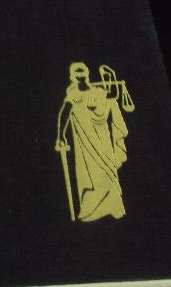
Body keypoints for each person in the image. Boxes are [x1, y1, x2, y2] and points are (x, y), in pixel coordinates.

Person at [55, 62, 129, 222]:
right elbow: (64, 113)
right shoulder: (73, 95)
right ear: (73, 77)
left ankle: (114, 206)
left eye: (82, 71)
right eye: (77, 73)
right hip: (85, 142)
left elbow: (113, 94)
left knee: (109, 171)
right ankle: (93, 210)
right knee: (91, 174)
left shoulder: (98, 90)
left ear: (87, 73)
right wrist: (61, 136)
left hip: (103, 138)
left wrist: (111, 76)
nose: (80, 75)